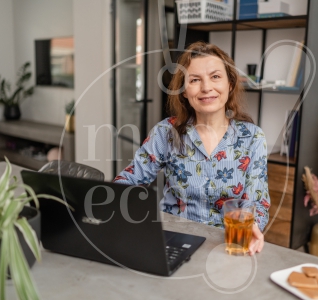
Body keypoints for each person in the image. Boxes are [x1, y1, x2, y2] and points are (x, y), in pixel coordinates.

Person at [113, 42, 270, 255]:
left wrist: (252, 225)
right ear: (184, 91)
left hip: (227, 246)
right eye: (195, 80)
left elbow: (258, 204)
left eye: (215, 77)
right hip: (169, 241)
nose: (206, 88)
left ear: (230, 84)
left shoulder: (252, 137)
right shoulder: (166, 132)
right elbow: (127, 182)